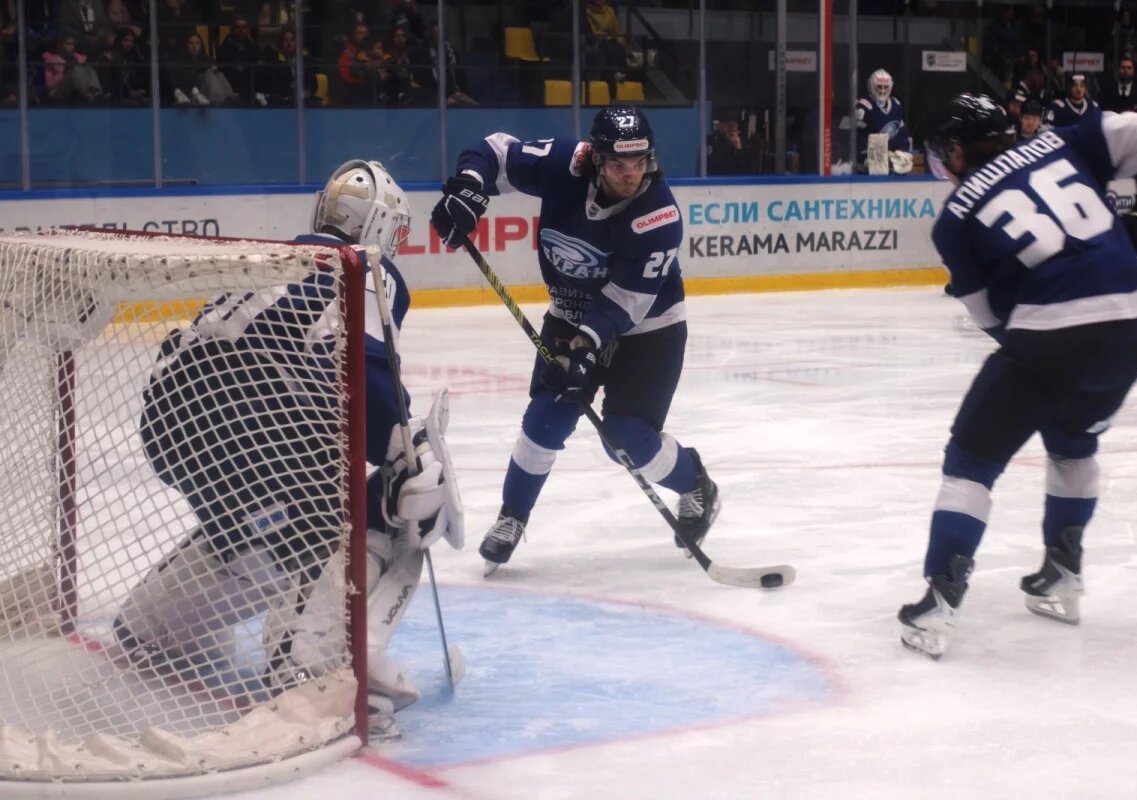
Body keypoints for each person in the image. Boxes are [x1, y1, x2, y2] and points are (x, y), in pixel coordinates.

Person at [112, 160, 464, 736]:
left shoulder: (272, 258)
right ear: (374, 226)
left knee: (256, 524)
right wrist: (404, 447)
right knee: (391, 499)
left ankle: (154, 626)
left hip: (170, 424)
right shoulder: (365, 269)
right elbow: (369, 384)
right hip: (257, 424)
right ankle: (312, 671)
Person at [899, 93, 1137, 659]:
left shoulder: (954, 221)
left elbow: (991, 319)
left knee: (972, 460)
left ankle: (939, 599)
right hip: (1133, 324)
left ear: (954, 151)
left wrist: (1041, 362)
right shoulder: (1067, 142)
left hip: (1052, 334)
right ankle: (1062, 573)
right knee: (1073, 443)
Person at [430, 105, 720, 576]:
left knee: (625, 438)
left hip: (649, 326)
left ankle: (696, 483)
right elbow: (495, 152)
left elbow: (627, 301)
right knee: (546, 419)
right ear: (595, 160)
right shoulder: (565, 163)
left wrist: (584, 349)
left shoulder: (659, 216)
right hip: (571, 312)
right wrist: (469, 187)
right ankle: (512, 517)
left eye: (639, 164)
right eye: (618, 165)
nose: (630, 176)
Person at [854, 69, 912, 174]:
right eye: (879, 87)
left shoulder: (896, 105)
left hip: (890, 158)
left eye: (885, 87)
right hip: (869, 159)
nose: (882, 90)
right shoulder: (863, 106)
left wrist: (903, 152)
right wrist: (864, 157)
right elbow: (857, 137)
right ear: (871, 85)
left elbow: (901, 133)